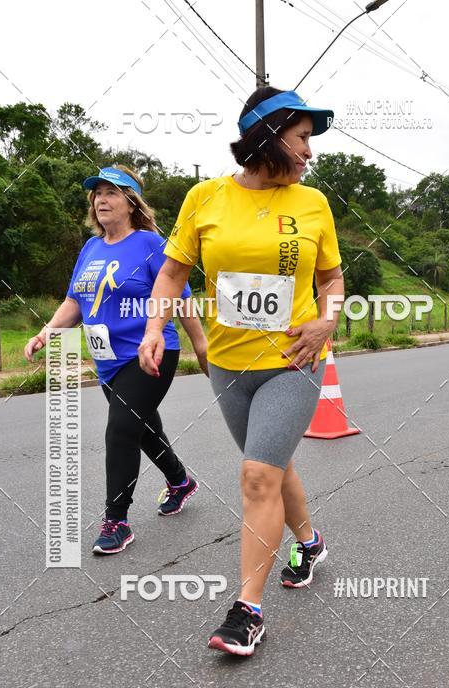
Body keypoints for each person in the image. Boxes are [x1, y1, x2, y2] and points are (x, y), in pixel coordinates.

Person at [139, 87, 344, 655]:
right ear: (268, 136)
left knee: (257, 477)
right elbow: (173, 273)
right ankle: (310, 541)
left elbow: (331, 280)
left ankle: (247, 609)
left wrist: (326, 322)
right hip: (227, 365)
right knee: (272, 467)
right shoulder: (204, 198)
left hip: (291, 361)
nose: (309, 151)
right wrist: (155, 328)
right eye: (302, 138)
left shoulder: (312, 203)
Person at [24, 164, 198, 553]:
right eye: (97, 193)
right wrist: (45, 333)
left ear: (131, 202)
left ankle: (116, 521)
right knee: (143, 429)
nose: (101, 200)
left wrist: (201, 346)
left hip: (151, 353)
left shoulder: (150, 244)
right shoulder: (91, 248)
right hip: (107, 361)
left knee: (120, 429)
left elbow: (180, 296)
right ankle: (180, 481)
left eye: (111, 192)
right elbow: (75, 301)